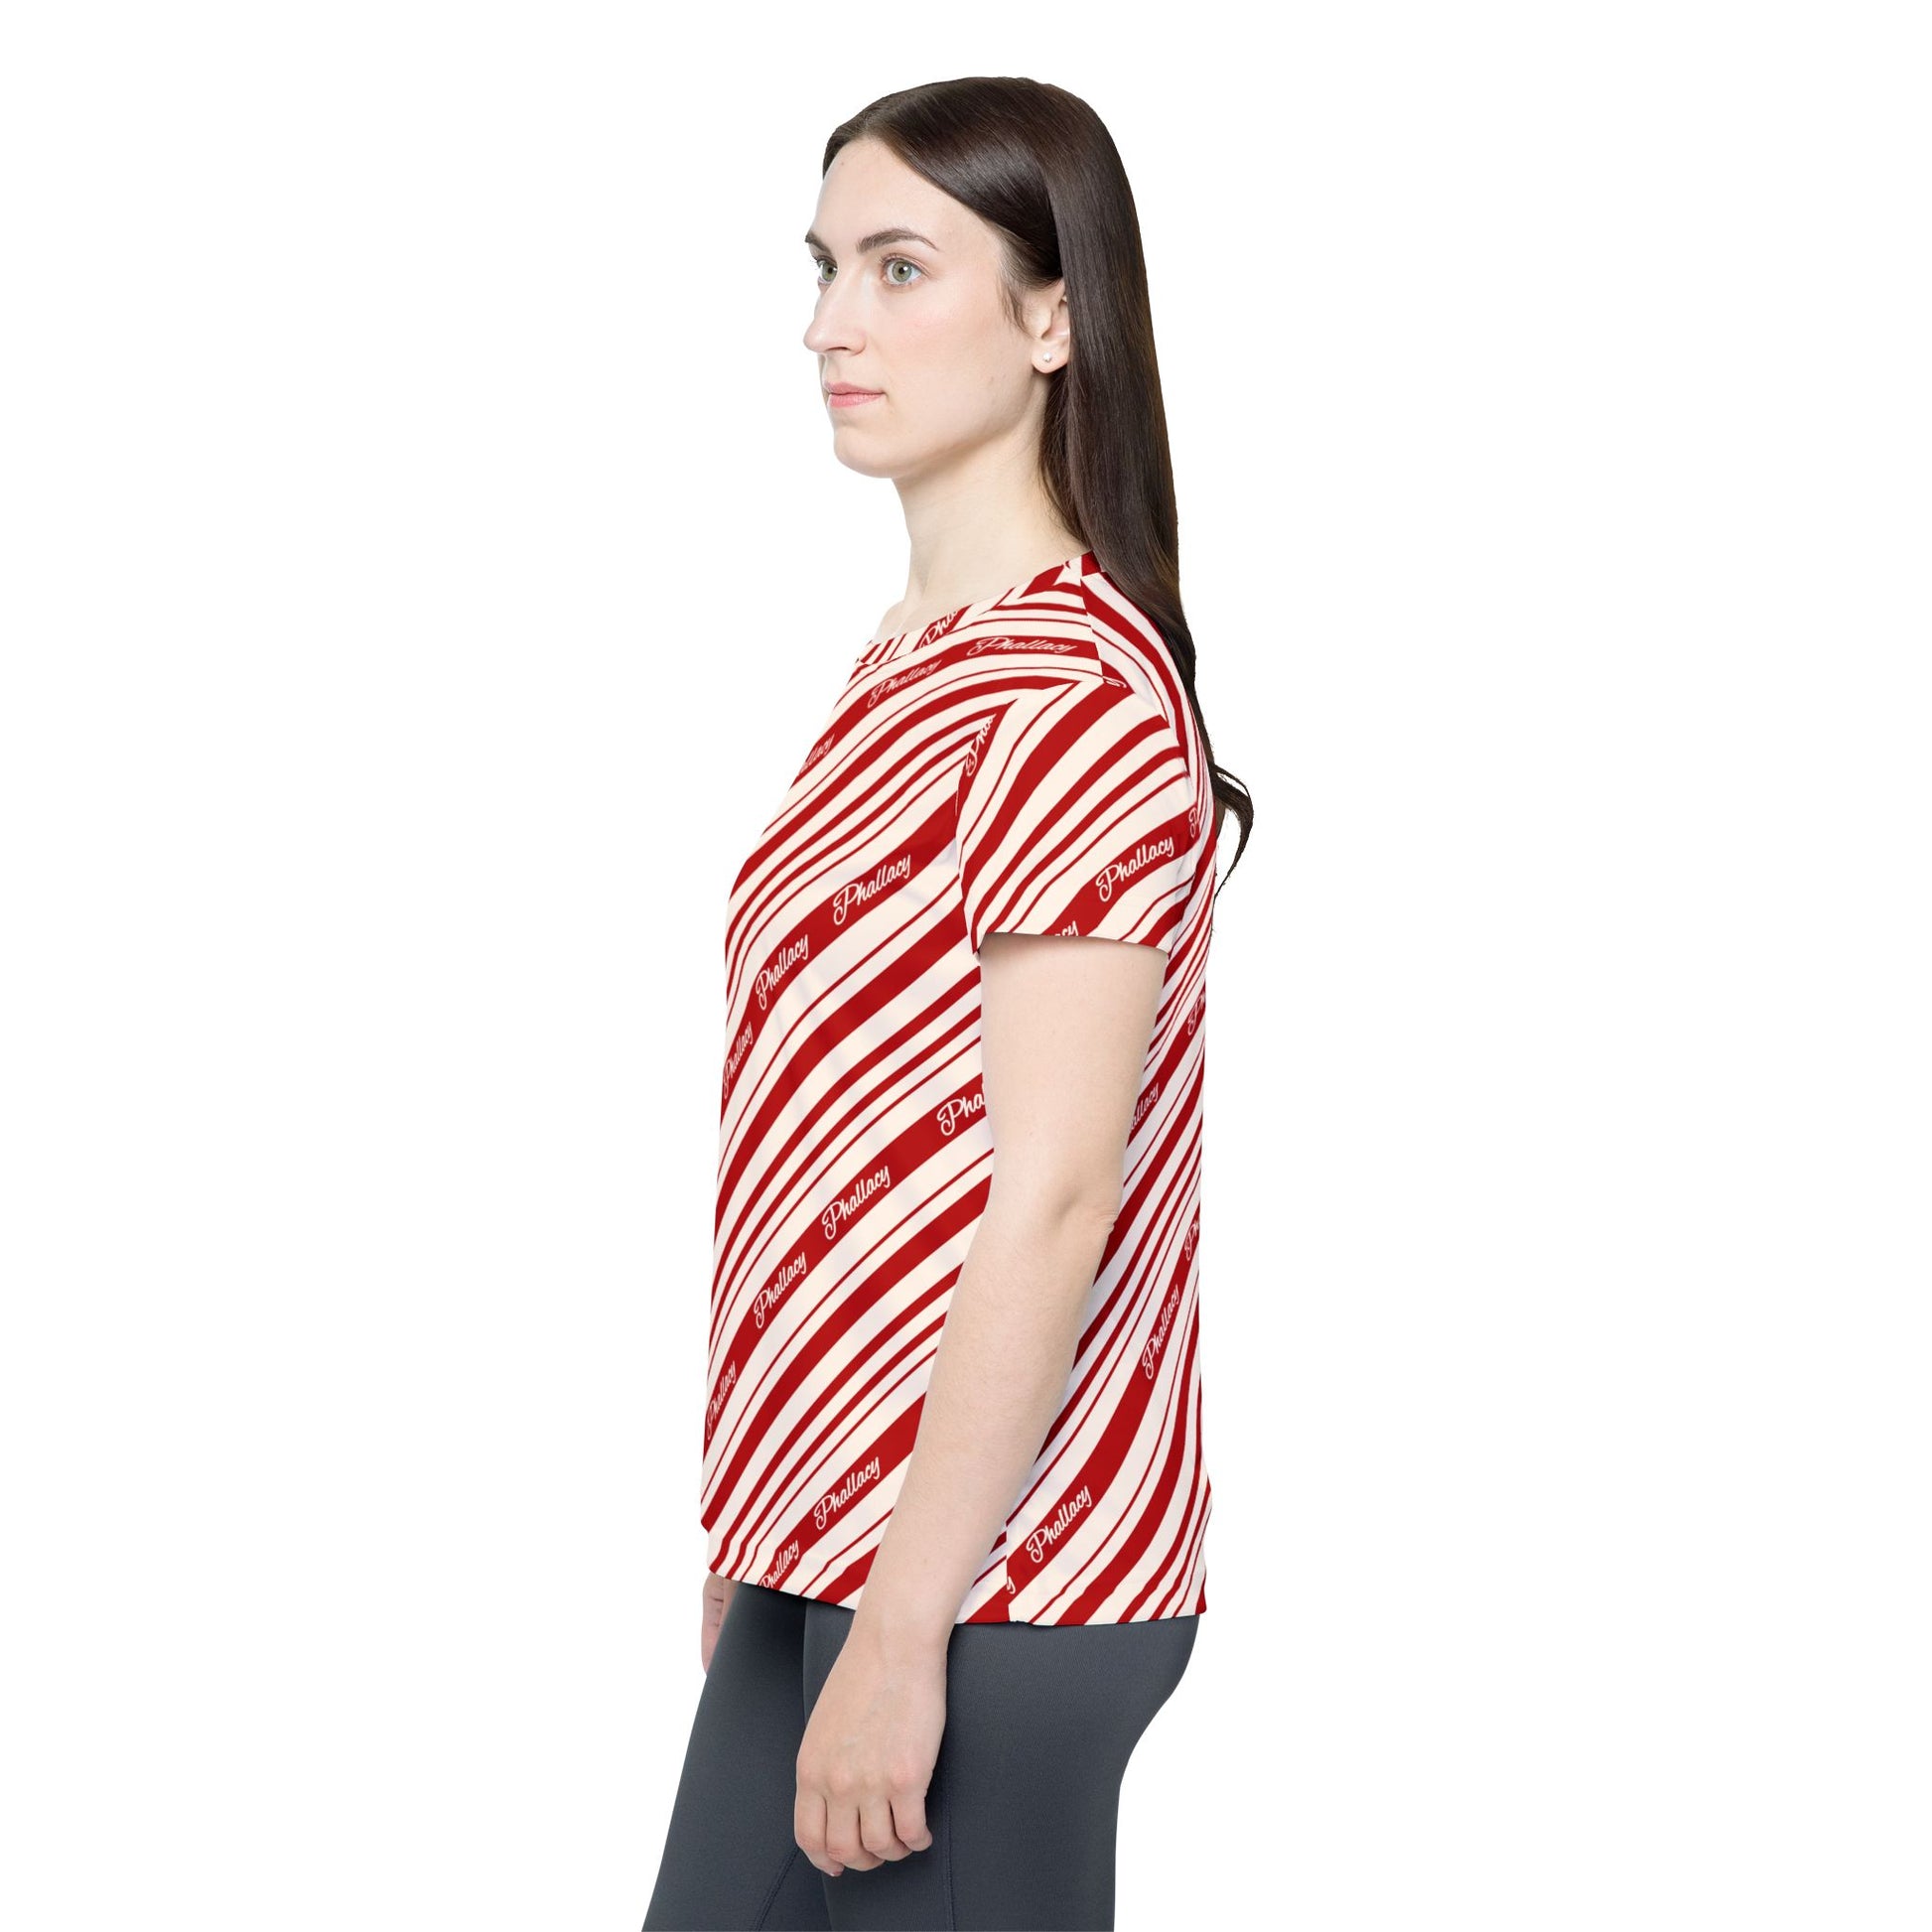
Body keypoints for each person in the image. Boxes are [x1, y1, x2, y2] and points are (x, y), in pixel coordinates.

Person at [644, 74, 1254, 1932]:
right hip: (837, 1540)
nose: (832, 324)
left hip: (999, 1574)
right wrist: (764, 1517)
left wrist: (902, 1623)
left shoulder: (1071, 692)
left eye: (901, 268)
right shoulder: (915, 660)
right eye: (824, 267)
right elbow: (845, 1132)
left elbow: (1051, 1195)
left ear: (1054, 315)